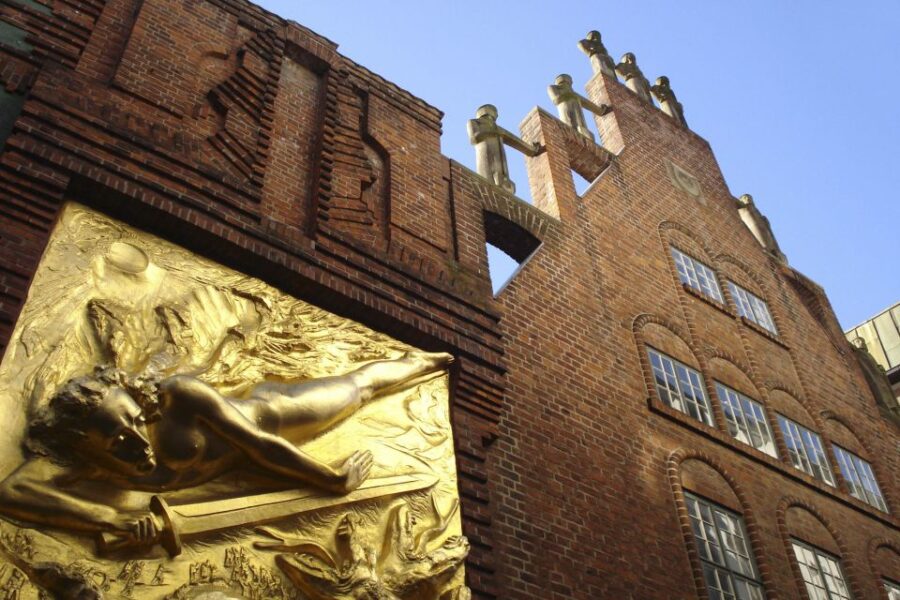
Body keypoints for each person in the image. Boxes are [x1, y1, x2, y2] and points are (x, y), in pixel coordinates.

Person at [0, 351, 453, 543]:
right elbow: (12, 491)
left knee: (361, 387)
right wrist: (111, 520)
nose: (139, 444)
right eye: (119, 444)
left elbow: (260, 445)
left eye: (137, 422)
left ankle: (423, 360)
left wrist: (330, 478)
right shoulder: (78, 457)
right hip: (238, 471)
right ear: (88, 448)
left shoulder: (179, 396)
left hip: (273, 418)